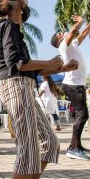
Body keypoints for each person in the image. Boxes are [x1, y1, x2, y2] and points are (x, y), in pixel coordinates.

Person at [0, 0, 78, 179]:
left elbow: (29, 69)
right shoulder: (8, 26)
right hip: (16, 86)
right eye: (27, 3)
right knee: (28, 147)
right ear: (20, 6)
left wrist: (61, 68)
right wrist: (49, 63)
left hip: (24, 86)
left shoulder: (12, 30)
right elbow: (16, 64)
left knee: (49, 141)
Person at [51, 15, 90, 160]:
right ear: (59, 40)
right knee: (82, 115)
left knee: (81, 115)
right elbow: (73, 31)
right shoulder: (63, 46)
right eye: (60, 34)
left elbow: (84, 33)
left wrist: (87, 24)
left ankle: (77, 145)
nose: (63, 32)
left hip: (77, 85)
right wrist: (79, 22)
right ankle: (73, 148)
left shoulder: (72, 44)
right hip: (73, 85)